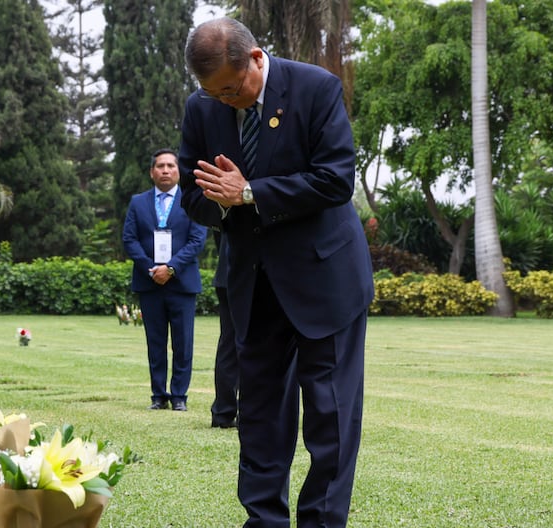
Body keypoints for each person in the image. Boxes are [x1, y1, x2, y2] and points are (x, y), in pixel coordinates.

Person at [177, 18, 375, 528]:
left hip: (325, 279)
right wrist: (220, 202)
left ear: (256, 59)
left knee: (330, 417)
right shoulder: (202, 108)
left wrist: (249, 193)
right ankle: (263, 521)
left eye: (231, 87)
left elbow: (335, 180)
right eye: (213, 92)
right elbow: (193, 197)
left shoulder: (315, 88)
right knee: (261, 416)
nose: (224, 100)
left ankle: (321, 522)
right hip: (254, 283)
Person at [123, 148, 207, 412]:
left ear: (178, 171)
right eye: (160, 166)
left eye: (171, 165)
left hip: (182, 283)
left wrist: (170, 268)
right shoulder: (138, 202)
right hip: (150, 283)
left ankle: (179, 395)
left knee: (183, 343)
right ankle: (158, 395)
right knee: (155, 342)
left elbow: (197, 241)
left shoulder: (193, 199)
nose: (166, 170)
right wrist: (152, 268)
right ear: (152, 172)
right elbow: (129, 239)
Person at [210, 229, 239, 428]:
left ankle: (223, 411)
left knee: (228, 344)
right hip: (250, 272)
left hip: (226, 271)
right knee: (257, 344)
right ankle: (250, 412)